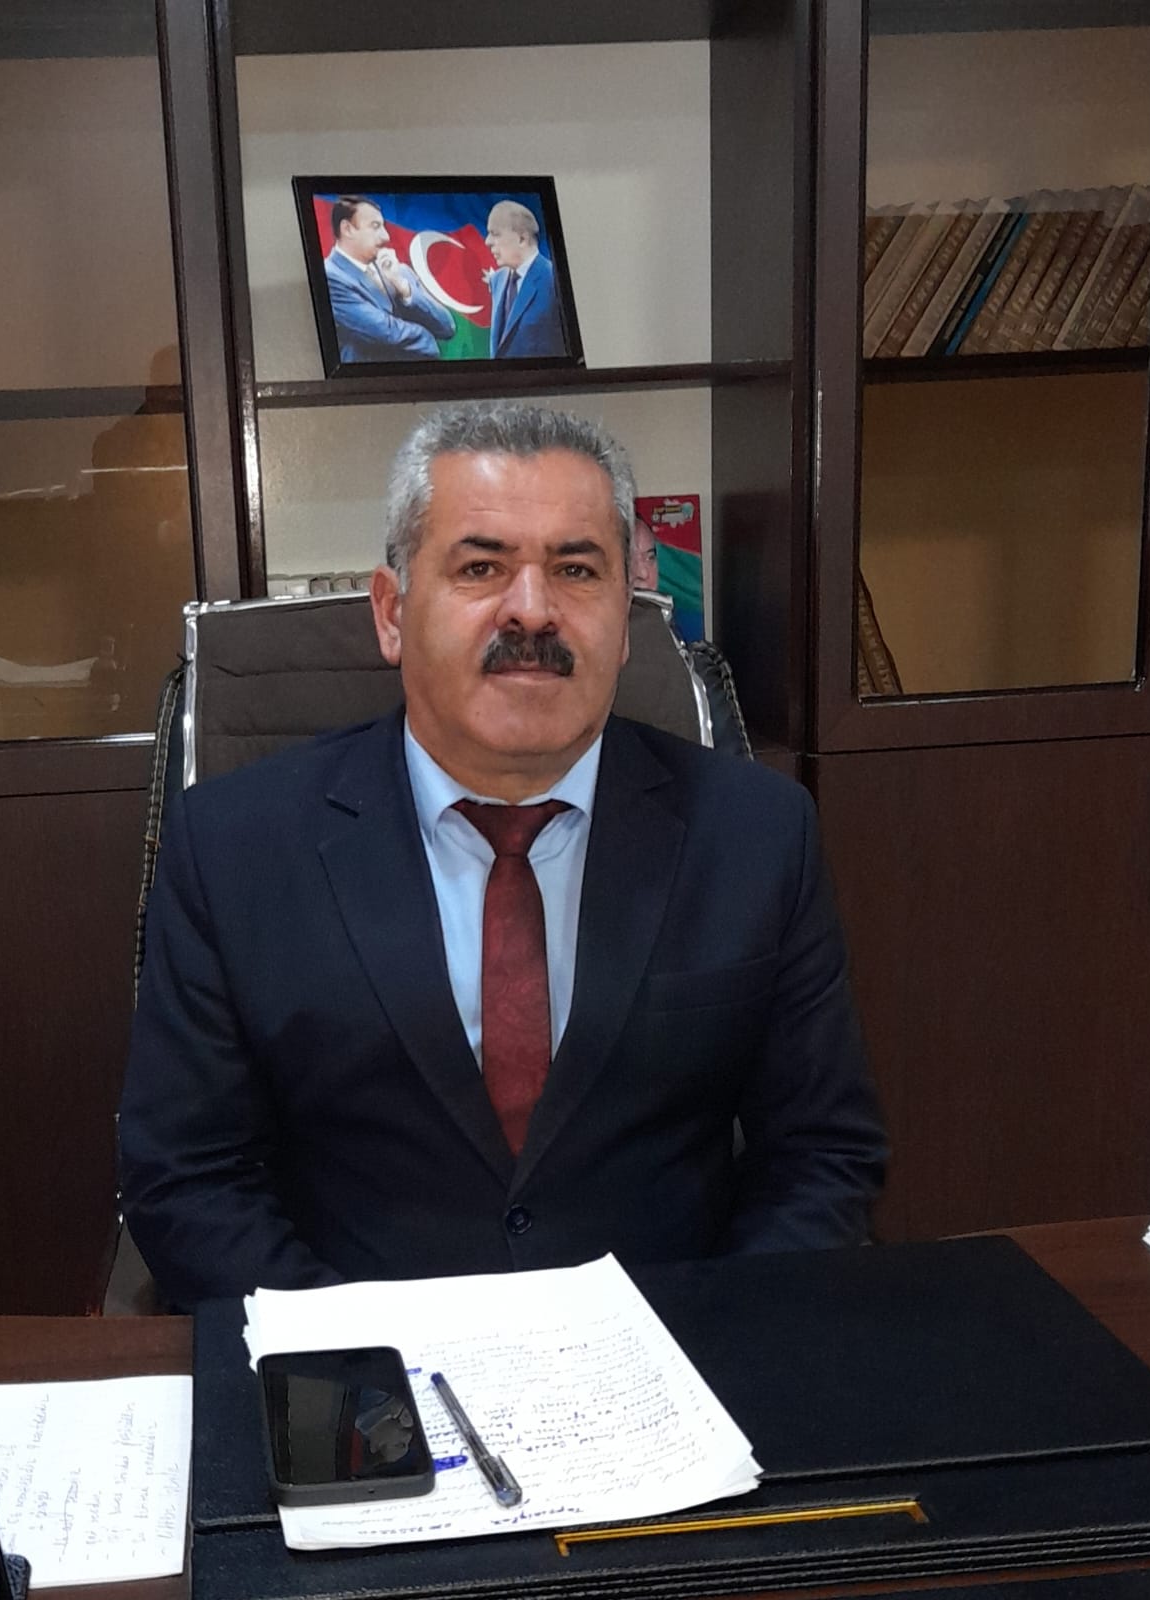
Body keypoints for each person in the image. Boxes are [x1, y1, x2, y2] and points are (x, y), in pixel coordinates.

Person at [119, 402, 886, 1306]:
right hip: (357, 1360)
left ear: (627, 618)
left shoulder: (757, 834)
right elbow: (189, 1179)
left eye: (575, 569)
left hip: (675, 1349)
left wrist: (712, 1344)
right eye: (480, 567)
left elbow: (821, 1155)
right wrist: (362, 1364)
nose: (532, 609)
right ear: (392, 613)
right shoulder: (233, 846)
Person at [323, 195, 456, 362]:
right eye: (375, 226)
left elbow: (447, 327)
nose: (386, 236)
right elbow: (386, 332)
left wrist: (404, 288)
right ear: (347, 229)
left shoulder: (399, 271)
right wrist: (428, 339)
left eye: (384, 226)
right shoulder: (330, 276)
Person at [485, 201, 565, 359]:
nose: (487, 242)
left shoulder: (554, 279)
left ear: (522, 238)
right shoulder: (497, 280)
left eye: (495, 234)